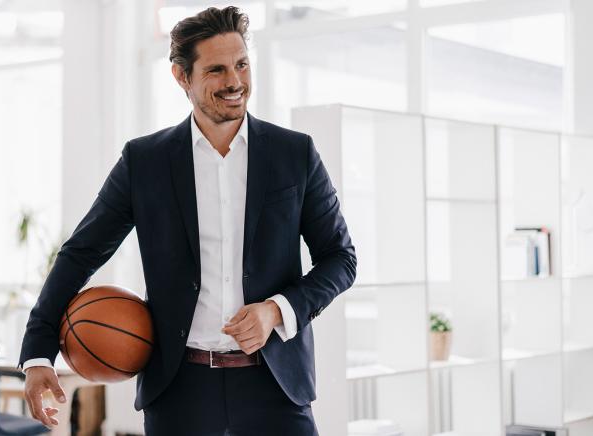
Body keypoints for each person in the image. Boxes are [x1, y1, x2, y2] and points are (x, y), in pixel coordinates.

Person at [19, 6, 356, 436]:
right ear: (182, 76)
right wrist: (38, 353)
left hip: (276, 387)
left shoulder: (295, 154)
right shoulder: (144, 162)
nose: (235, 82)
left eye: (242, 64)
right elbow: (81, 252)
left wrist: (277, 310)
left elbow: (340, 259)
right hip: (180, 389)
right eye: (216, 69)